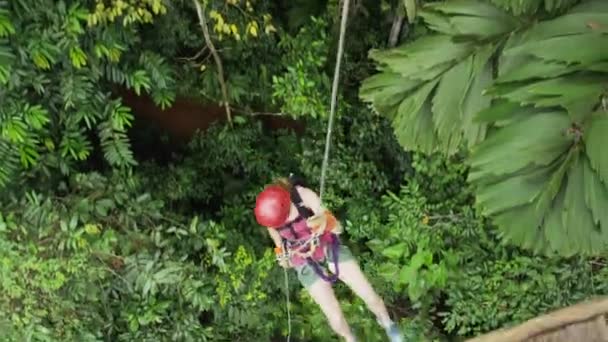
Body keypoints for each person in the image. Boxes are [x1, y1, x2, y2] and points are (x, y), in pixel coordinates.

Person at [254, 176, 403, 342]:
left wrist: (324, 221)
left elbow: (338, 228)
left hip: (327, 245)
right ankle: (350, 338)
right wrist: (283, 258)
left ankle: (387, 323)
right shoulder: (272, 219)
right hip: (303, 260)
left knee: (369, 295)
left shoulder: (302, 197)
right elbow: (279, 246)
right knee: (335, 319)